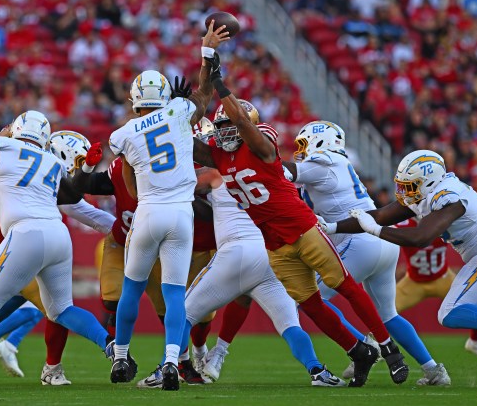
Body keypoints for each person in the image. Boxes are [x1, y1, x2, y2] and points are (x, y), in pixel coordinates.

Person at [191, 63, 406, 387]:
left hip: (303, 229)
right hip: (274, 246)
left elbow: (244, 127)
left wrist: (221, 85)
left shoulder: (263, 145)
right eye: (220, 126)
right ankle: (358, 352)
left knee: (345, 284)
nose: (225, 131)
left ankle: (389, 348)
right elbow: (187, 139)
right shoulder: (219, 158)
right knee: (311, 306)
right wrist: (187, 108)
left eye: (230, 125)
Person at [0, 111, 113, 389]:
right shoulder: (51, 161)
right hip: (59, 236)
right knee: (62, 309)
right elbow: (73, 198)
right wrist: (86, 171)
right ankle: (112, 346)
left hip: (24, 233)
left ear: (15, 129)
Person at [99, 21, 229, 391]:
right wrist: (206, 49)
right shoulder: (178, 112)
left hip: (150, 211)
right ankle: (172, 360)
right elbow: (204, 92)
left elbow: (125, 179)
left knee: (132, 290)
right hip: (181, 214)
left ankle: (121, 357)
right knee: (175, 293)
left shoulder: (122, 134)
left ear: (135, 98)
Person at [284, 121, 448, 386]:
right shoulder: (335, 165)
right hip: (380, 240)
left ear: (320, 142)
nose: (299, 151)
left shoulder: (324, 164)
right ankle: (433, 370)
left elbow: (283, 172)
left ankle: (364, 346)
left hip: (360, 242)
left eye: (303, 144)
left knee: (310, 300)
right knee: (388, 315)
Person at [318, 149, 477, 383]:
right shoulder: (427, 194)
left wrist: (375, 230)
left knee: (450, 312)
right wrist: (332, 227)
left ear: (429, 181)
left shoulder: (449, 197)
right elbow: (379, 215)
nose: (405, 191)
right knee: (453, 311)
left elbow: (420, 237)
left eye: (411, 185)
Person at [177, 136, 345, 387]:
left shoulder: (216, 172)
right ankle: (317, 371)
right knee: (289, 324)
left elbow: (185, 187)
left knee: (183, 314)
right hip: (268, 253)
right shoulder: (271, 166)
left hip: (236, 251)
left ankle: (170, 367)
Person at [396, 218, 477, 364]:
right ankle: (378, 349)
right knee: (384, 313)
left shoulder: (444, 222)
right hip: (413, 282)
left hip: (443, 278)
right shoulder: (402, 225)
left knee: (475, 301)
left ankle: (474, 343)